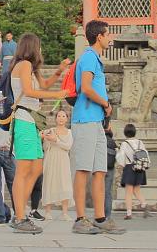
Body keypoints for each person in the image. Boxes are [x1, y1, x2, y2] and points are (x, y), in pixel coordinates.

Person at [8, 32, 70, 234]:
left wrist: (59, 72)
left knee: (36, 168)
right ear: (33, 47)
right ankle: (19, 216)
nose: (41, 50)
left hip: (32, 121)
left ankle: (20, 212)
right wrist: (56, 95)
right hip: (24, 121)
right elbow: (30, 91)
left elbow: (42, 85)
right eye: (39, 46)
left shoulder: (31, 68)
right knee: (24, 170)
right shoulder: (24, 65)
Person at [70, 20, 125, 235]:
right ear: (99, 37)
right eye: (108, 34)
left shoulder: (96, 59)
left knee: (100, 170)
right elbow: (85, 88)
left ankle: (101, 217)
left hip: (96, 122)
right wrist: (105, 103)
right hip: (85, 120)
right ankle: (80, 218)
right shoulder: (89, 58)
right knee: (83, 169)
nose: (110, 38)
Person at [42, 109, 74, 221]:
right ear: (55, 118)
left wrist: (56, 140)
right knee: (49, 182)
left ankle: (65, 213)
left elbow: (68, 146)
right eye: (59, 116)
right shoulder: (50, 131)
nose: (61, 118)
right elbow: (46, 147)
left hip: (63, 159)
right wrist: (45, 138)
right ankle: (47, 212)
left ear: (67, 118)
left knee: (64, 183)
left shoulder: (69, 132)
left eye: (63, 116)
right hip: (51, 158)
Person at [116, 123, 150, 220]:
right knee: (137, 189)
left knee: (128, 192)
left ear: (125, 133)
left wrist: (120, 164)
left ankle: (129, 213)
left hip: (129, 167)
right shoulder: (140, 142)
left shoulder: (125, 144)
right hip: (140, 167)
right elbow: (145, 154)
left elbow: (121, 158)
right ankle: (144, 204)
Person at [104, 123, 117, 219]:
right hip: (110, 168)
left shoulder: (99, 140)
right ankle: (108, 214)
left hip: (100, 168)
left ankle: (100, 213)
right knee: (108, 192)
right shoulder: (113, 142)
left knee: (98, 191)